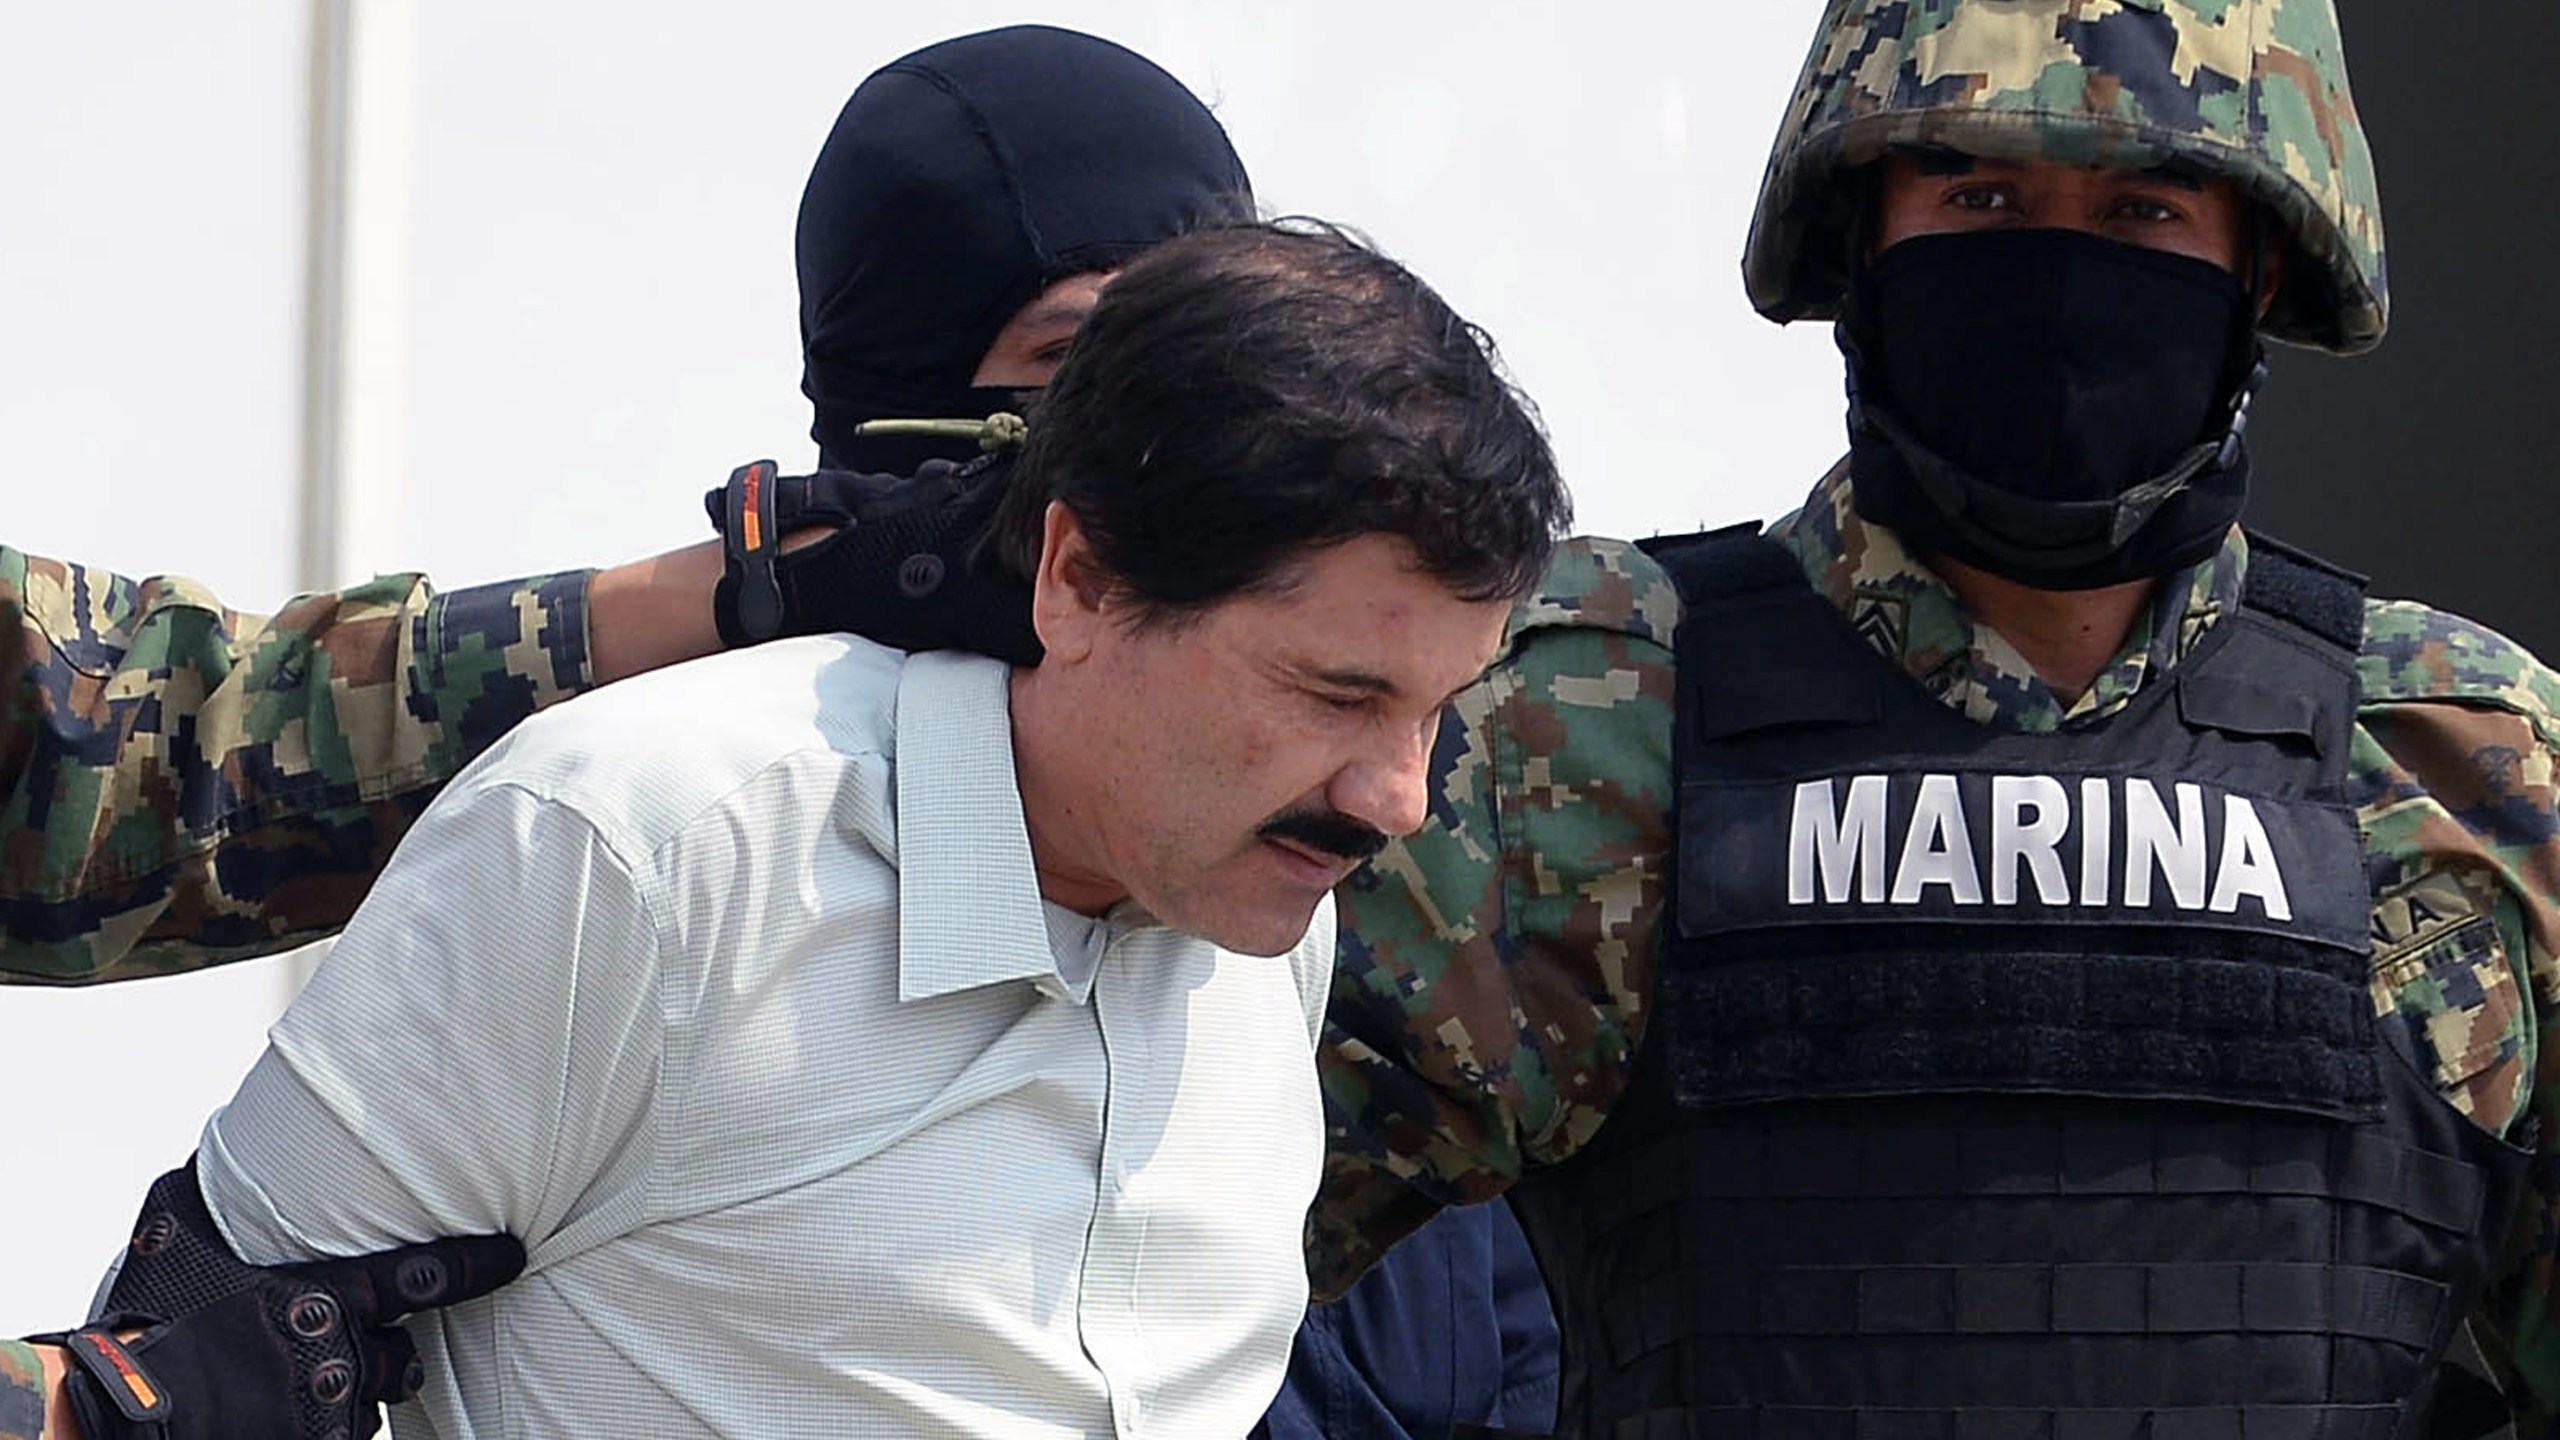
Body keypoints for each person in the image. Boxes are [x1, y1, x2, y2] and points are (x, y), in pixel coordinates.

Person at [9, 26, 1562, 1440]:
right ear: (1083, 564)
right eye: (1068, 364)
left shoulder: (1266, 899)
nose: (1397, 794)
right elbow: (185, 1360)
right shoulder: (637, 852)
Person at [1306, 0, 2560, 1434]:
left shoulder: (2469, 762)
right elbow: (1152, 1271)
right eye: (1982, 198)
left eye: (2144, 209)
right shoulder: (1571, 724)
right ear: (1862, 244)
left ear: (2259, 266)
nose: (2058, 275)